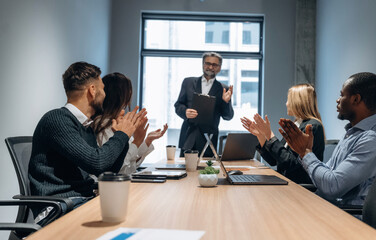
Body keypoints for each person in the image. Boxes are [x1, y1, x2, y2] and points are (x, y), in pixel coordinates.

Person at [28, 62, 146, 212]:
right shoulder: (57, 119)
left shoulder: (85, 126)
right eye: (103, 89)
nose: (105, 95)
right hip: (59, 207)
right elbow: (97, 162)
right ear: (92, 90)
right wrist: (122, 135)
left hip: (81, 201)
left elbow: (106, 171)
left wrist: (122, 136)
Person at [279, 72, 376, 206]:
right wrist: (305, 151)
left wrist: (305, 153)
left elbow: (332, 187)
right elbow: (327, 174)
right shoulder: (353, 134)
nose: (338, 100)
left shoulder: (372, 140)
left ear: (356, 99)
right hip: (328, 207)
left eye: (342, 95)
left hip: (347, 218)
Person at [241, 84, 325, 184]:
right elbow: (274, 160)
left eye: (289, 100)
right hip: (287, 182)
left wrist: (270, 134)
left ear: (298, 102)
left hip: (300, 187)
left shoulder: (312, 126)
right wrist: (261, 135)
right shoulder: (297, 123)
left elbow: (290, 163)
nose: (286, 104)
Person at [93, 72, 168, 174]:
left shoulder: (115, 122)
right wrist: (137, 141)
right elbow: (120, 170)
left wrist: (145, 141)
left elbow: (132, 165)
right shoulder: (103, 125)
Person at [174, 52, 234, 157]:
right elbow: (178, 105)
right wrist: (185, 112)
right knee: (185, 172)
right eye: (207, 63)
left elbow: (228, 116)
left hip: (209, 141)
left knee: (207, 173)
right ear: (203, 64)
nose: (210, 67)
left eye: (215, 65)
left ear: (219, 68)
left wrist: (226, 102)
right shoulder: (188, 82)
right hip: (188, 138)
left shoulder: (223, 89)